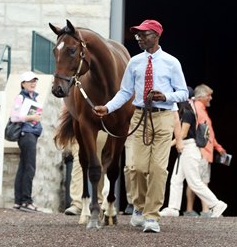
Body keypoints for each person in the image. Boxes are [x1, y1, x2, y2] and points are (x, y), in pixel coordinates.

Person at [93, 19, 188, 233]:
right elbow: (125, 92)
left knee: (157, 169)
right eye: (138, 35)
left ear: (156, 36)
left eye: (144, 35)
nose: (139, 39)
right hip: (138, 117)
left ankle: (151, 216)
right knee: (134, 167)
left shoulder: (172, 62)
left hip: (163, 117)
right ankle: (139, 205)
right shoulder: (134, 62)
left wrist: (166, 96)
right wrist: (107, 108)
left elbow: (183, 92)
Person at [160, 85, 228, 218]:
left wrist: (167, 145)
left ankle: (216, 204)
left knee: (194, 182)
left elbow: (183, 134)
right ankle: (173, 208)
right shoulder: (183, 111)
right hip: (184, 149)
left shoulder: (188, 113)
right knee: (176, 179)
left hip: (189, 149)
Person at [184, 84, 227, 216]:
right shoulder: (197, 108)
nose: (211, 98)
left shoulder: (202, 110)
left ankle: (202, 210)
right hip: (200, 150)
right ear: (201, 96)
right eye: (209, 95)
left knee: (199, 180)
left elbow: (208, 133)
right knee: (197, 180)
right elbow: (196, 131)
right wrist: (201, 149)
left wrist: (217, 147)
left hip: (205, 151)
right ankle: (200, 209)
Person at [11, 71, 43, 212]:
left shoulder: (33, 97)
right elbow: (14, 117)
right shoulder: (20, 97)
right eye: (30, 81)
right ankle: (26, 201)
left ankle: (19, 201)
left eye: (35, 81)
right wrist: (31, 118)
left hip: (30, 134)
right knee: (29, 167)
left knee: (23, 167)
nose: (33, 83)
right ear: (23, 83)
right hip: (27, 134)